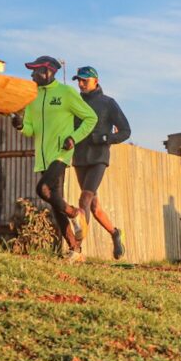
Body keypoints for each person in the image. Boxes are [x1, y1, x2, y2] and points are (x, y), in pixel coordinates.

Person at [12, 55, 97, 262]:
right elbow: (31, 129)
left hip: (61, 153)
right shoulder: (33, 97)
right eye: (31, 71)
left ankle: (75, 213)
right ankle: (75, 250)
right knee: (55, 205)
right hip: (43, 157)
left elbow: (90, 118)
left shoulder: (66, 92)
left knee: (42, 190)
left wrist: (73, 138)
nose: (32, 74)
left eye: (36, 71)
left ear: (49, 71)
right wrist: (21, 125)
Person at [72, 65, 131, 260]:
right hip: (79, 157)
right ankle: (115, 233)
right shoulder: (74, 103)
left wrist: (106, 138)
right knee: (94, 207)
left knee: (84, 200)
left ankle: (77, 249)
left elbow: (125, 131)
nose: (81, 84)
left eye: (85, 80)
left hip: (99, 158)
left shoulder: (108, 103)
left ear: (95, 81)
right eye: (78, 81)